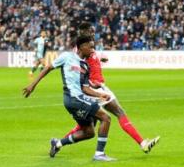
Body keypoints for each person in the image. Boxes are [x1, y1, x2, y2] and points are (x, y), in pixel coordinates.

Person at [63, 22, 160, 154]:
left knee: (87, 126)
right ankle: (142, 143)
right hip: (95, 88)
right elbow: (79, 71)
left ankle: (58, 143)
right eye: (89, 31)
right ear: (83, 33)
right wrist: (91, 84)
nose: (92, 33)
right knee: (119, 112)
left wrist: (99, 60)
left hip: (99, 86)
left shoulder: (89, 48)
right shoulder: (79, 53)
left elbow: (91, 63)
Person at [22, 36, 116, 161]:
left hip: (76, 99)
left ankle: (58, 143)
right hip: (73, 98)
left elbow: (85, 88)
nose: (93, 50)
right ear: (82, 47)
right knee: (106, 118)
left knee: (89, 132)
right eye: (90, 47)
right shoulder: (67, 57)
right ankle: (99, 154)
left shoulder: (85, 66)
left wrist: (100, 95)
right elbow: (48, 68)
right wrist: (33, 85)